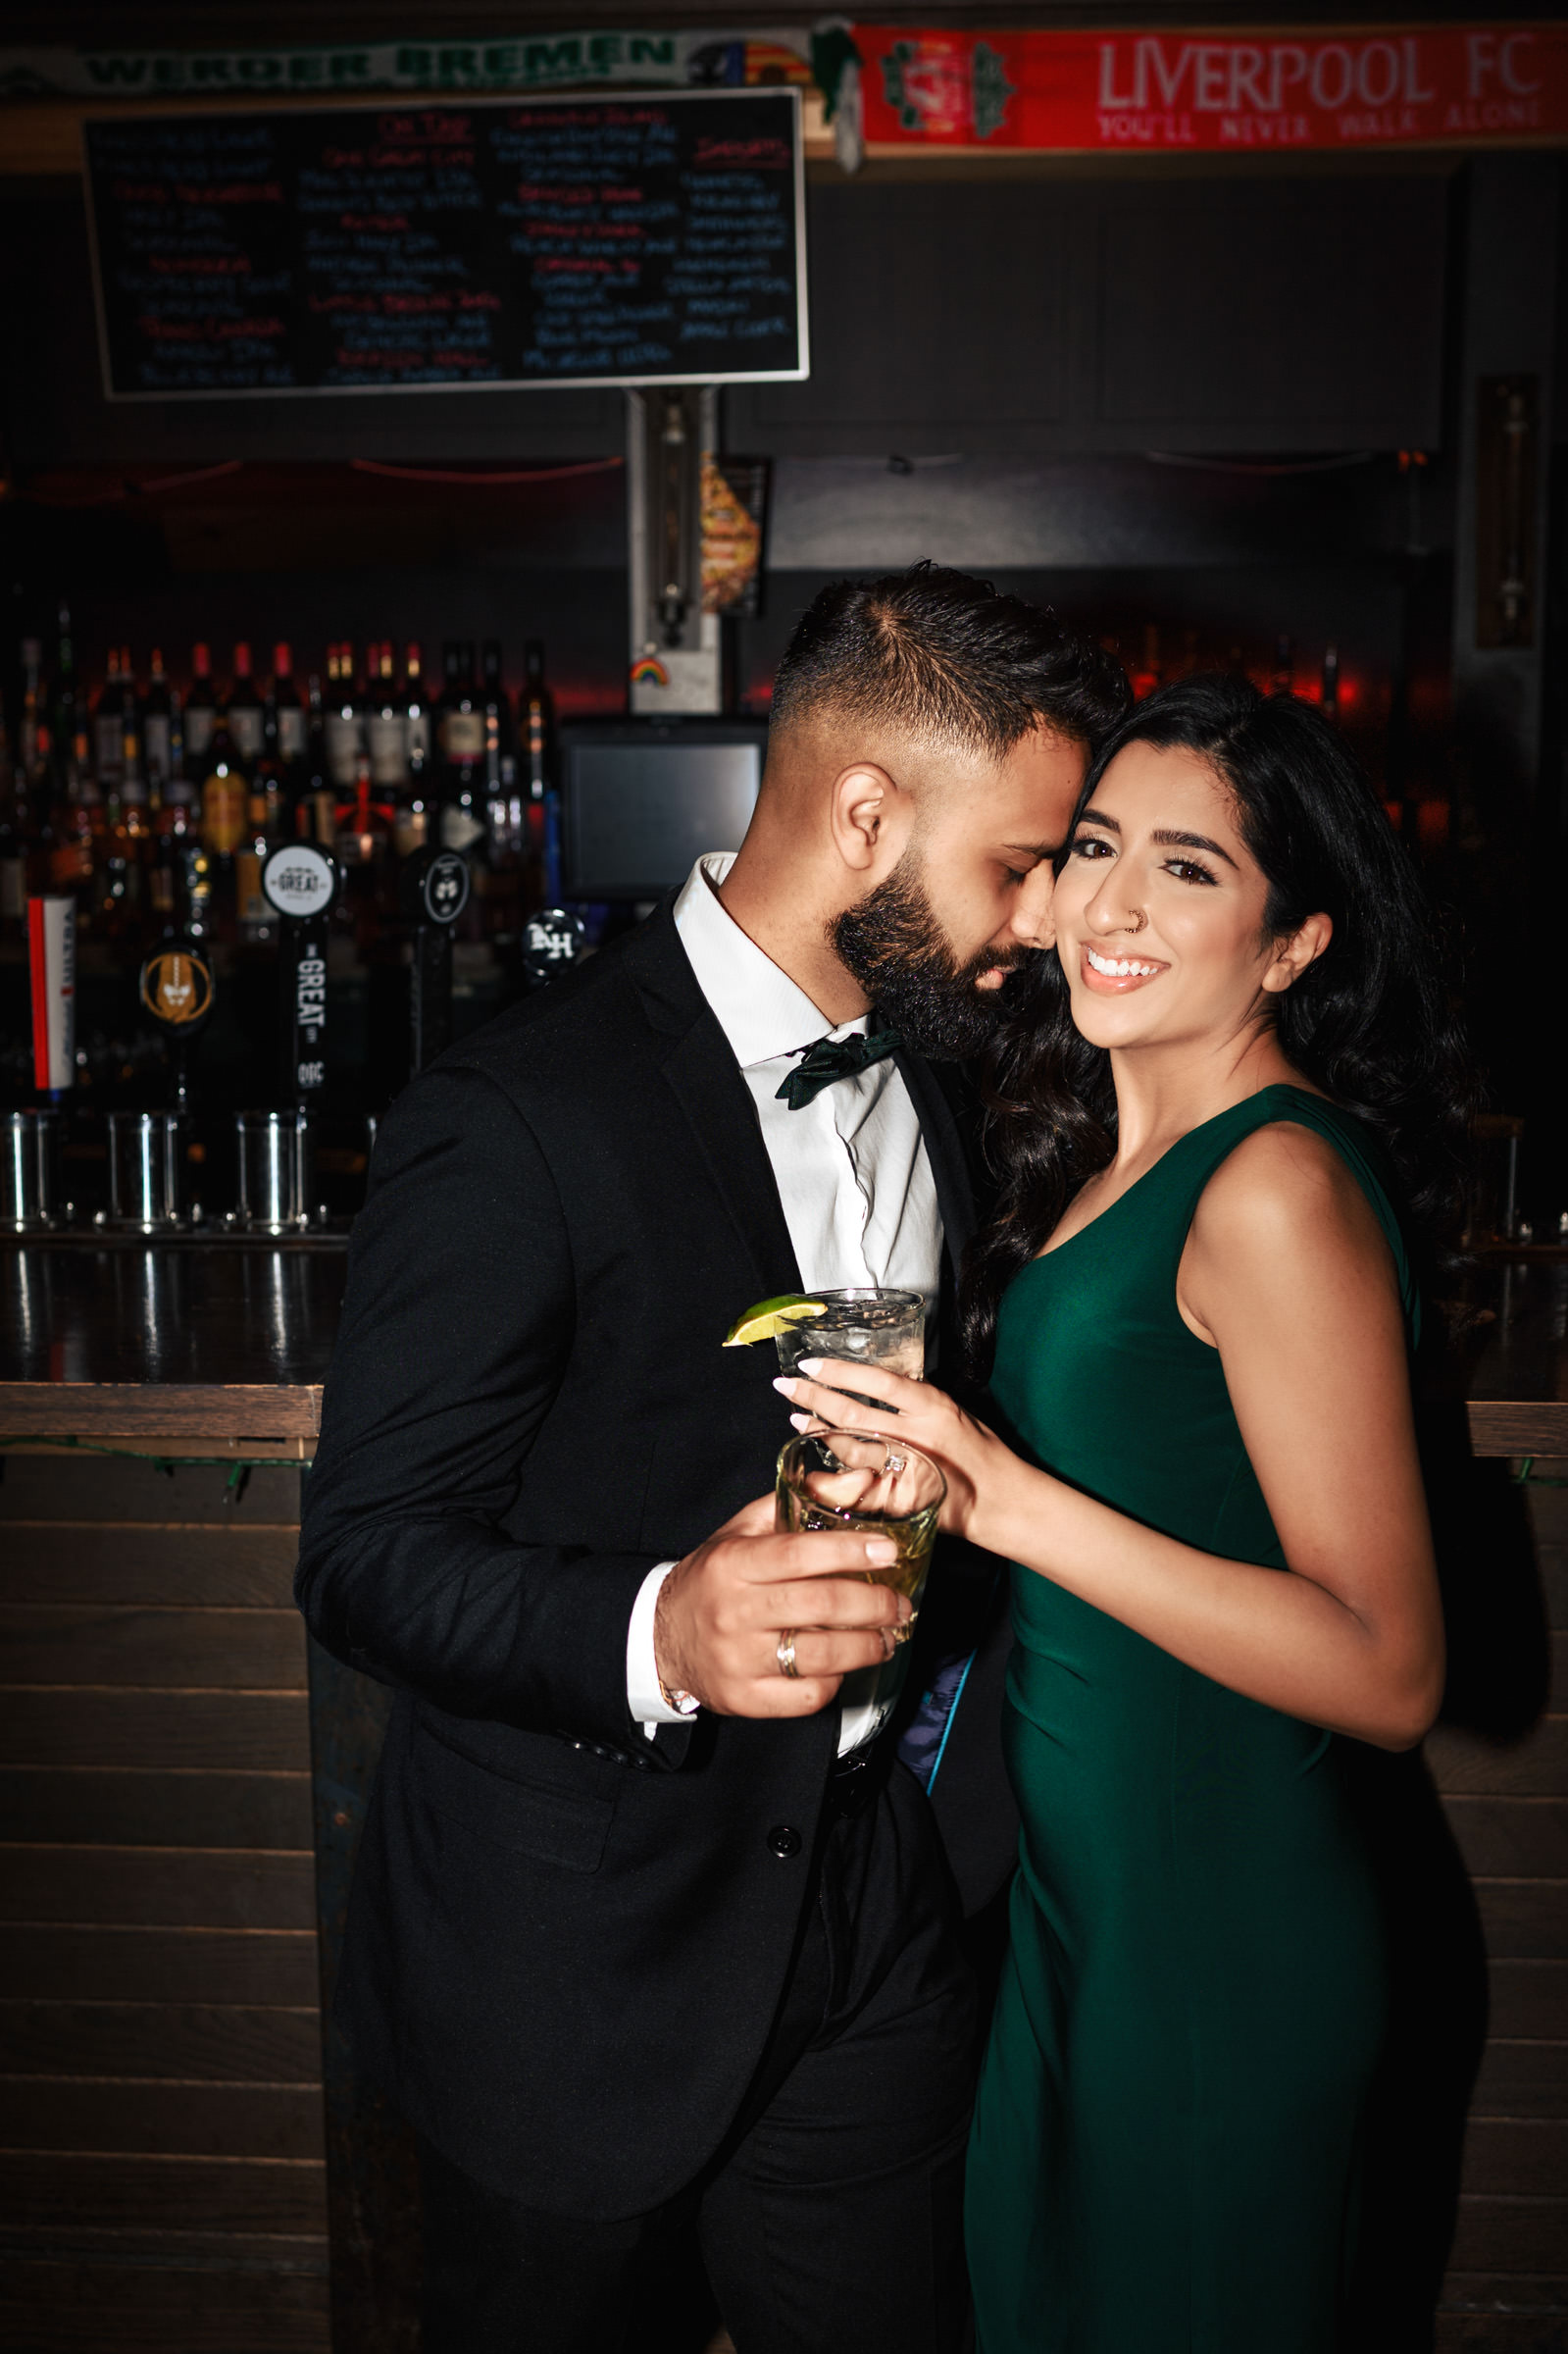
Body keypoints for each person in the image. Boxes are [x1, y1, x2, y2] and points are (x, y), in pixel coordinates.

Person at [294, 562, 1128, 2353]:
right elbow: (363, 1549)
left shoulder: (948, 1076)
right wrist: (662, 1633)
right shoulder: (518, 1112)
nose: (1048, 918)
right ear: (863, 813)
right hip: (570, 1963)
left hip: (871, 1901)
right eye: (1022, 861)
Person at [777, 674, 1472, 2353]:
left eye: (1190, 868)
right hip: (1088, 1908)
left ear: (1294, 943)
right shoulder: (1116, 1157)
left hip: (1216, 1930)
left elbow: (1392, 1669)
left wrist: (1004, 1496)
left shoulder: (1277, 1185)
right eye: (1096, 847)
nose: (1112, 904)